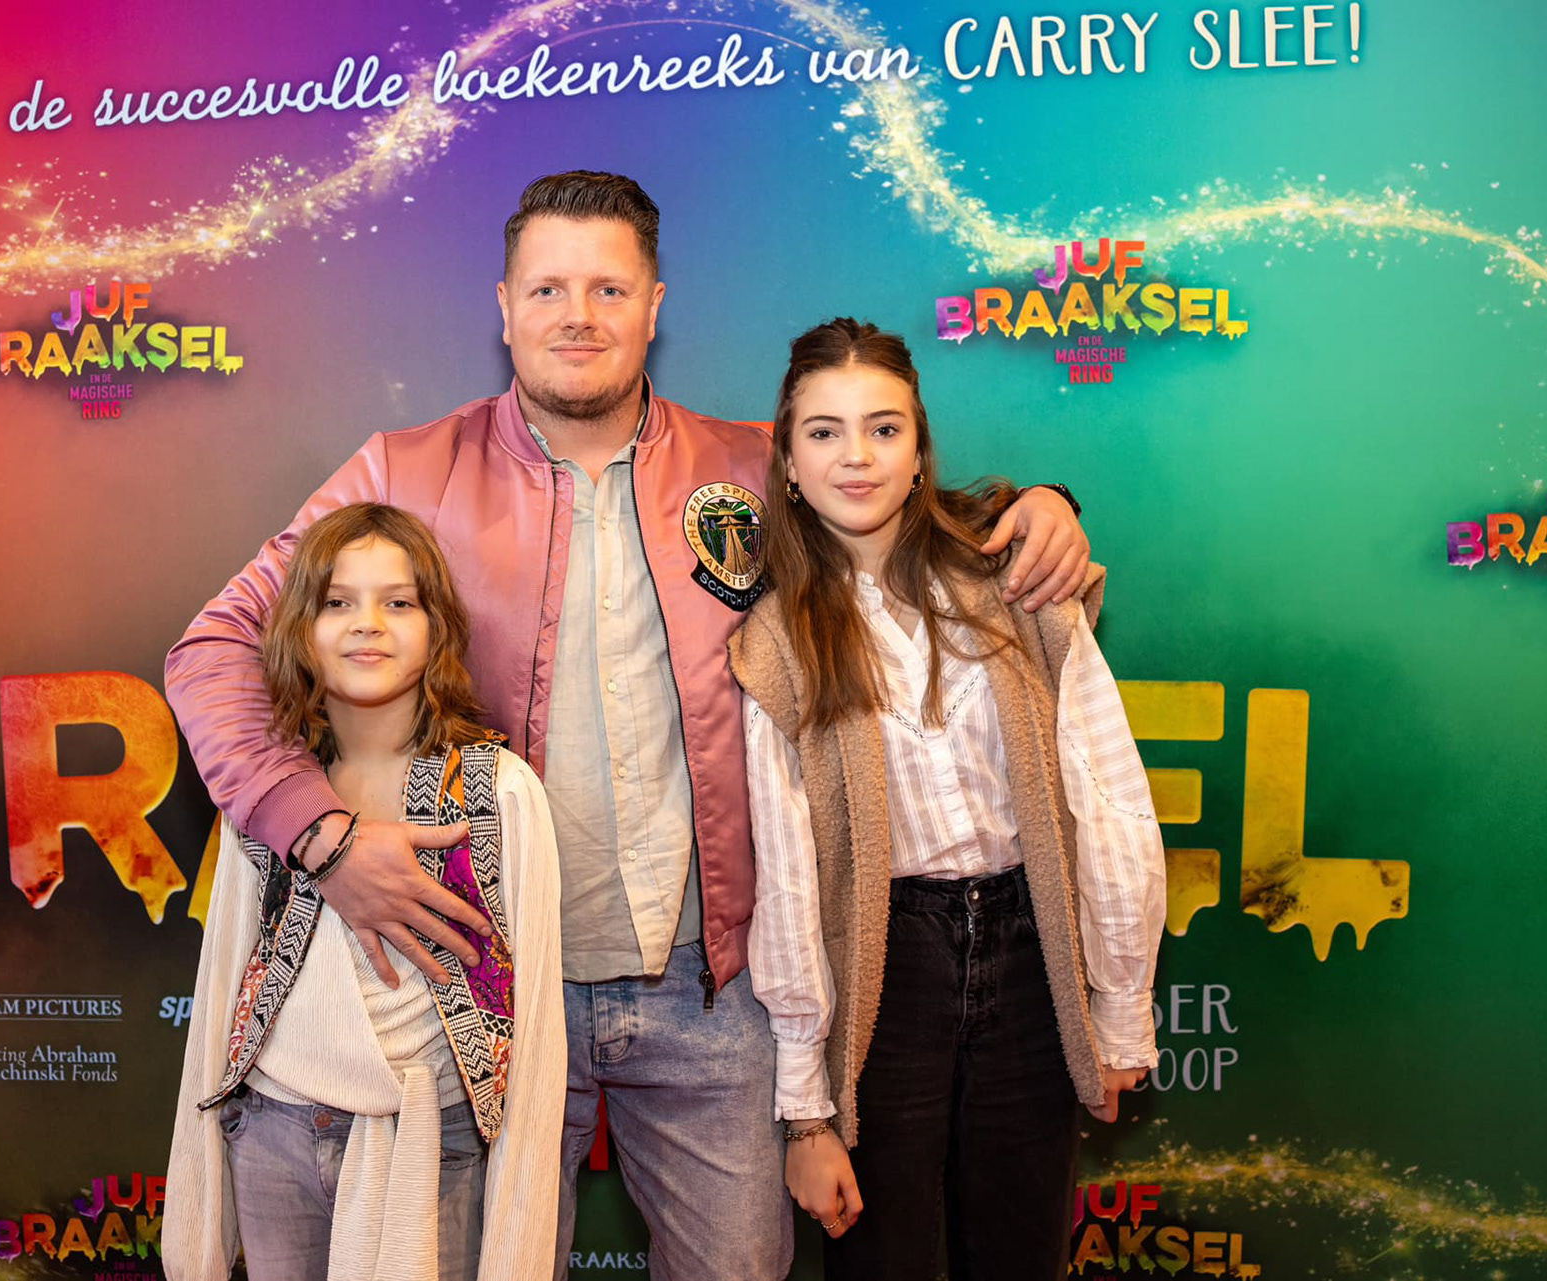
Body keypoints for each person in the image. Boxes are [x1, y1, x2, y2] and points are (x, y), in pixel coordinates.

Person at [164, 172, 1092, 1281]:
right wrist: (319, 834)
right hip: (486, 991)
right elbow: (212, 649)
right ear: (503, 307)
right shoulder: (405, 473)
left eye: (608, 289)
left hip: (715, 995)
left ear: (655, 305)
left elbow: (900, 518)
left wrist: (1043, 507)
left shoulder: (753, 466)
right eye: (548, 289)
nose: (578, 316)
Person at [729, 319, 1167, 1280]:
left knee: (1019, 1251)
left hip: (1029, 949)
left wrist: (1119, 1006)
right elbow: (789, 883)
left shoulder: (1015, 576)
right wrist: (807, 1114)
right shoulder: (777, 638)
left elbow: (1106, 788)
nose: (857, 455)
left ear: (921, 448)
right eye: (825, 431)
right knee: (883, 1257)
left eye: (884, 428)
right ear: (789, 461)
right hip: (887, 969)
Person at [165, 504, 563, 1281]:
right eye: (337, 601)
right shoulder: (265, 792)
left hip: (436, 1142)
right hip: (273, 1137)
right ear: (299, 629)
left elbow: (539, 1026)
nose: (367, 623)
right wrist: (198, 1224)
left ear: (438, 625)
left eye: (399, 601)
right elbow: (220, 988)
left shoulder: (497, 792)